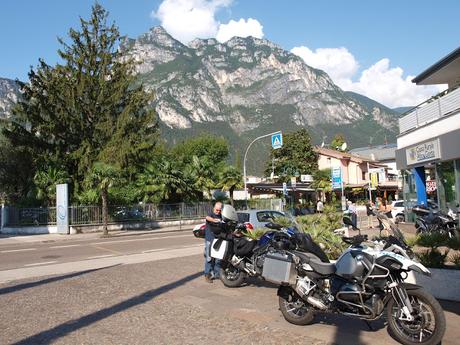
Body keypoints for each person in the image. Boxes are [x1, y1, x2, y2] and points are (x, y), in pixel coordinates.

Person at [204, 202, 223, 283]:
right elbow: (207, 217)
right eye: (217, 210)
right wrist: (214, 220)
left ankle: (216, 274)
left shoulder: (221, 216)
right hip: (209, 239)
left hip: (218, 240)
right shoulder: (211, 214)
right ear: (214, 208)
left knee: (218, 258)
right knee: (209, 258)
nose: (218, 212)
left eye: (219, 210)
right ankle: (207, 274)